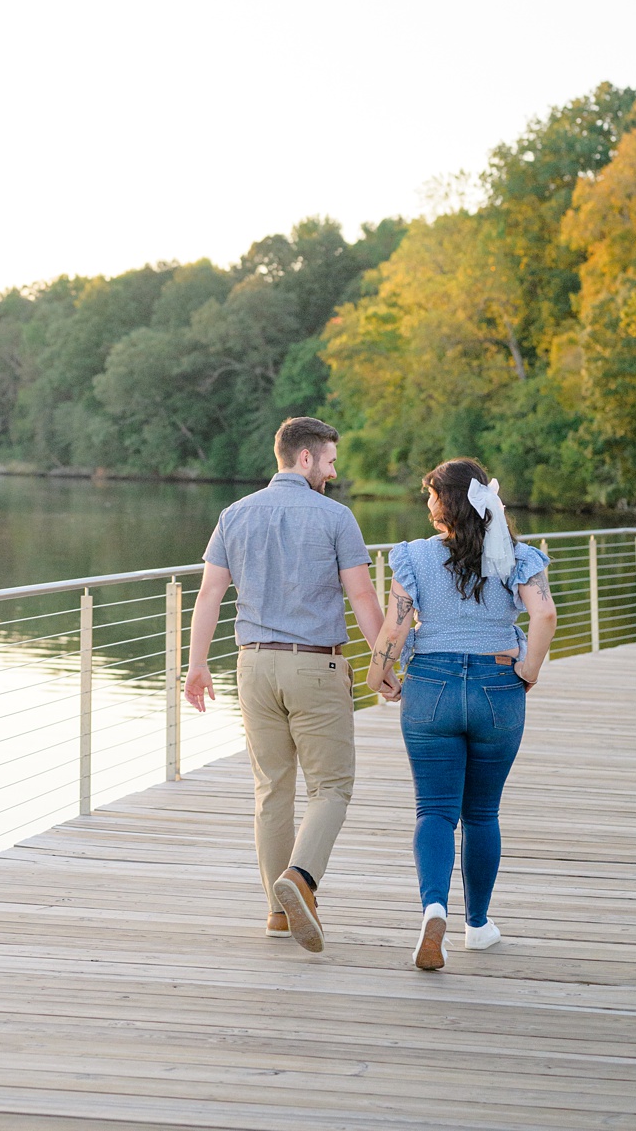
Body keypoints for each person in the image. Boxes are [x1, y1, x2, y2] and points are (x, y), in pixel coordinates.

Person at [184, 415, 384, 951]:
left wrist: (196, 664)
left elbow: (209, 595)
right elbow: (363, 598)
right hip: (314, 666)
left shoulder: (234, 514)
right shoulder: (336, 518)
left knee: (272, 790)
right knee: (332, 787)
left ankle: (277, 914)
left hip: (252, 666)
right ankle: (300, 878)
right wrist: (386, 661)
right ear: (305, 458)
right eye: (330, 460)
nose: (333, 471)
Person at [365, 459, 556, 970]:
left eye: (431, 495)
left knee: (434, 810)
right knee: (482, 813)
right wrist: (528, 672)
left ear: (445, 503)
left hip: (430, 687)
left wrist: (377, 672)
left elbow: (396, 626)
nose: (426, 504)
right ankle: (477, 925)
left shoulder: (412, 557)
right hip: (499, 687)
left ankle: (433, 909)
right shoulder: (518, 557)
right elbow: (545, 615)